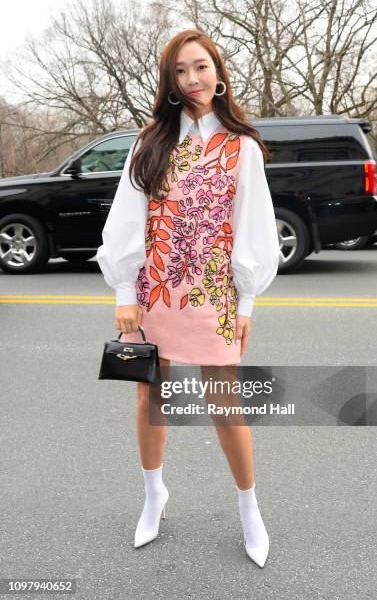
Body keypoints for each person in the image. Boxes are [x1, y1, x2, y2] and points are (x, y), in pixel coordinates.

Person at [95, 29, 280, 568]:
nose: (191, 79)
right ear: (169, 81)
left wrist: (247, 304)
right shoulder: (150, 141)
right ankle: (154, 495)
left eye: (199, 67)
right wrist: (123, 292)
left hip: (216, 297)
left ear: (218, 73)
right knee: (148, 398)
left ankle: (249, 506)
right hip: (150, 295)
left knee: (226, 403)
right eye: (179, 71)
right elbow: (128, 219)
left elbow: (254, 229)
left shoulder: (241, 148)